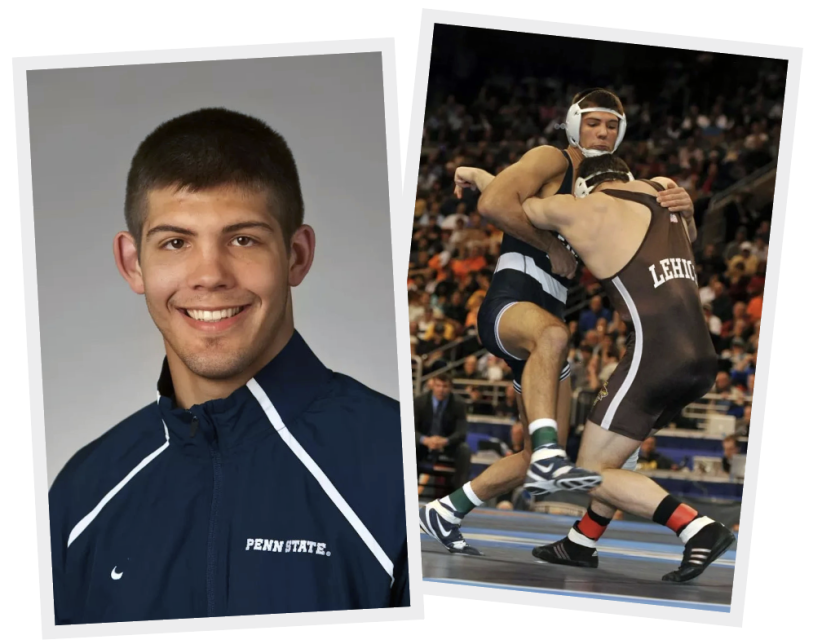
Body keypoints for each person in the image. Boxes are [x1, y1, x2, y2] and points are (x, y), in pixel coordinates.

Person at [48, 108, 409, 625]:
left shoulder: (396, 463)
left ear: (296, 255)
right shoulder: (82, 492)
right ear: (133, 264)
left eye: (243, 239)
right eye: (176, 242)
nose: (209, 276)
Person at [419, 89, 694, 556]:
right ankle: (547, 451)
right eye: (594, 123)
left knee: (538, 454)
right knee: (553, 335)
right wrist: (549, 246)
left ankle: (444, 511)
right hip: (513, 304)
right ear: (573, 124)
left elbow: (519, 199)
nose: (603, 132)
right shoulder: (553, 158)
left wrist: (686, 215)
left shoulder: (611, 186)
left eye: (612, 126)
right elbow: (499, 203)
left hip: (547, 322)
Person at [521, 153, 735, 582]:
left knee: (591, 472)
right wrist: (690, 212)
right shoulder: (663, 189)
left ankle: (699, 528)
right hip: (701, 357)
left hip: (656, 355)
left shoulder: (582, 208)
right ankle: (581, 542)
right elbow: (689, 235)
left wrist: (476, 175)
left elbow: (516, 203)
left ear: (583, 187)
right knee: (614, 455)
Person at [414, 373, 472, 492]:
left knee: (464, 450)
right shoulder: (419, 402)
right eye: (438, 386)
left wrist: (445, 441)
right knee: (408, 447)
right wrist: (425, 440)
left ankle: (459, 494)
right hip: (423, 444)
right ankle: (406, 491)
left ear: (450, 388)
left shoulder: (459, 404)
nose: (441, 390)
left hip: (448, 445)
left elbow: (461, 432)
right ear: (432, 386)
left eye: (445, 386)